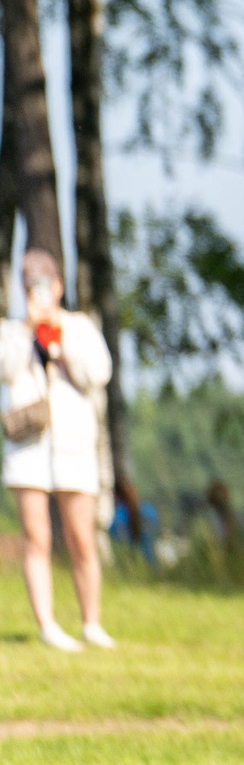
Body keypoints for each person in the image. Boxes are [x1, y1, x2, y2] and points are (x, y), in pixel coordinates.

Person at [1, 249, 115, 651]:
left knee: (81, 536)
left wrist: (60, 338)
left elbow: (97, 373)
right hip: (28, 444)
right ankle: (47, 625)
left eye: (43, 283)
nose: (37, 292)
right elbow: (6, 369)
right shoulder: (10, 330)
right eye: (30, 285)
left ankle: (92, 623)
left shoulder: (80, 326)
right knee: (37, 537)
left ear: (58, 286)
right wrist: (28, 330)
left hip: (73, 443)